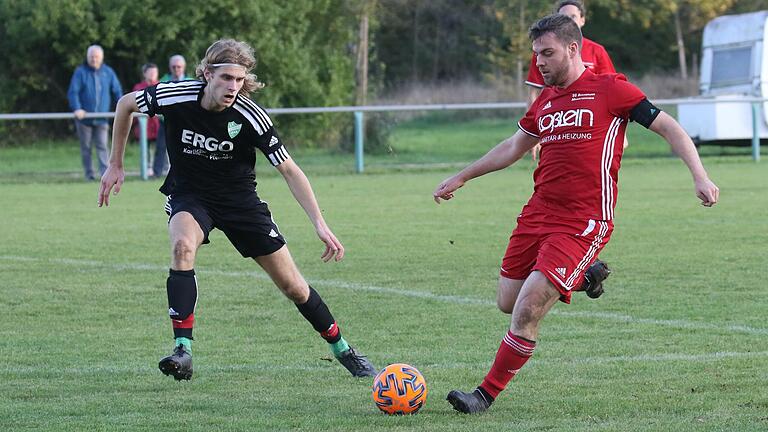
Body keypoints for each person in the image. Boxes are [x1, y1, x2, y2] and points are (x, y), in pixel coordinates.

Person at [433, 14, 719, 414]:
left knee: (528, 308)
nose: (541, 63)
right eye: (536, 55)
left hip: (584, 220)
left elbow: (670, 127)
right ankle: (584, 275)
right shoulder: (546, 101)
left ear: (573, 48)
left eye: (547, 53)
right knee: (507, 300)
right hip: (537, 214)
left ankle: (483, 395)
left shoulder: (610, 89)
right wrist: (461, 177)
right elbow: (513, 147)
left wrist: (700, 176)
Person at [98, 39, 376, 381]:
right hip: (191, 195)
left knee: (294, 288)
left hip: (240, 202)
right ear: (206, 74)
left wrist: (319, 223)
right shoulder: (176, 95)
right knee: (182, 246)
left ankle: (343, 348)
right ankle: (183, 351)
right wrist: (115, 163)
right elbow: (126, 104)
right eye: (226, 78)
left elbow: (289, 169)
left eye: (239, 80)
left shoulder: (250, 116)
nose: (233, 87)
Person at [67, 45, 123, 180]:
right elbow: (73, 92)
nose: (94, 59)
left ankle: (105, 175)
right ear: (87, 57)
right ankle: (89, 175)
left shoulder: (108, 72)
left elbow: (117, 91)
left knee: (103, 146)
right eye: (91, 56)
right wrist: (77, 108)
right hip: (84, 119)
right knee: (86, 148)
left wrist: (121, 108)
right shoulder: (80, 72)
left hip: (102, 118)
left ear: (101, 58)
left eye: (96, 56)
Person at [151, 55, 190, 177]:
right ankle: (157, 172)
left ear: (183, 67)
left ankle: (186, 172)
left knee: (186, 149)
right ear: (170, 67)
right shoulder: (163, 81)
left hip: (184, 122)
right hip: (166, 121)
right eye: (174, 67)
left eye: (179, 67)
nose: (176, 69)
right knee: (161, 147)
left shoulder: (190, 82)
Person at [131, 63, 162, 175]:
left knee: (161, 147)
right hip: (144, 124)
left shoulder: (161, 86)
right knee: (146, 148)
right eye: (150, 72)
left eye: (155, 72)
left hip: (158, 124)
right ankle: (147, 168)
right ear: (145, 73)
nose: (153, 74)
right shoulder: (138, 88)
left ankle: (162, 168)